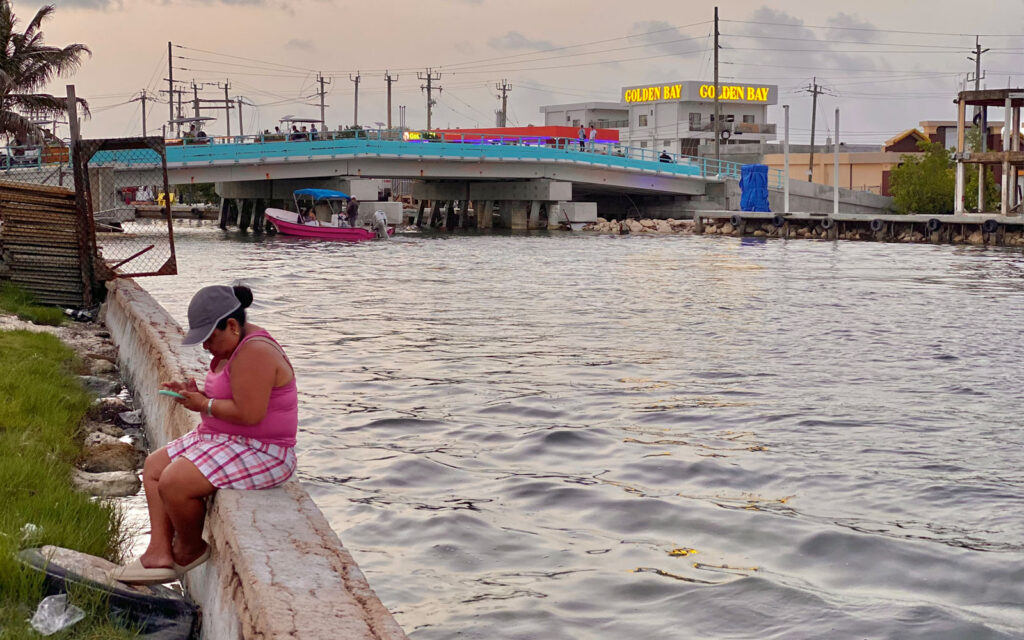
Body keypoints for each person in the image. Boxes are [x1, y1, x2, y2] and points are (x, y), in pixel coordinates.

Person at [110, 285, 298, 585]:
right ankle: (158, 552)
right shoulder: (232, 345)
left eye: (209, 338)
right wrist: (194, 396)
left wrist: (205, 405)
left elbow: (250, 414)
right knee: (154, 468)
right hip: (224, 438)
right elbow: (229, 396)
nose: (206, 347)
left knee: (174, 482)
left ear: (232, 326)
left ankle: (189, 549)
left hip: (263, 450)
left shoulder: (255, 352)